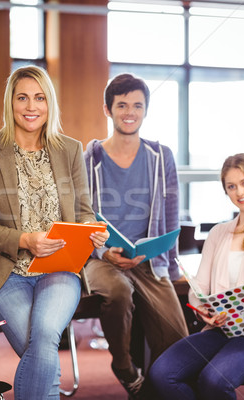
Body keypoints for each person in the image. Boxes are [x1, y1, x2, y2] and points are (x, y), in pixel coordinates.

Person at [0, 65, 109, 400]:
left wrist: (90, 230)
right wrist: (25, 240)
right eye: (23, 98)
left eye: (40, 98)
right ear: (10, 102)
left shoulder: (69, 149)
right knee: (41, 349)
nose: (31, 106)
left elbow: (84, 212)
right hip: (7, 274)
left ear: (50, 103)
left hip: (59, 268)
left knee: (43, 334)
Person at [149, 153, 244, 400]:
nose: (239, 192)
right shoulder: (218, 233)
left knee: (214, 380)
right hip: (220, 331)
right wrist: (206, 310)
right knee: (161, 374)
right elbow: (199, 287)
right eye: (231, 186)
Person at [83, 73, 188, 399]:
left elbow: (171, 215)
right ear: (108, 109)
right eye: (122, 105)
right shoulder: (91, 158)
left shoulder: (161, 157)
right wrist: (102, 254)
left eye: (138, 105)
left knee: (178, 340)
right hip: (104, 257)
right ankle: (124, 366)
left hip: (148, 258)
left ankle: (156, 388)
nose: (130, 112)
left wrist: (171, 271)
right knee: (118, 292)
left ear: (146, 110)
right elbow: (80, 216)